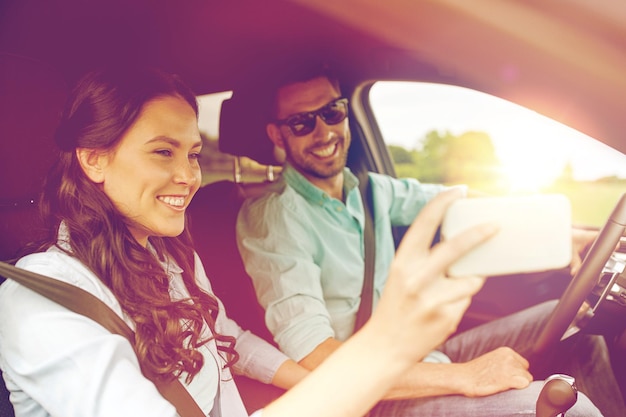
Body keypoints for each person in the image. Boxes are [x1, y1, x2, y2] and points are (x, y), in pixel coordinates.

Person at [0, 66, 508, 417]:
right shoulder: (41, 304)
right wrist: (383, 348)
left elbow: (229, 341)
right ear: (94, 159)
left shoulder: (167, 255)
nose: (188, 176)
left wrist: (309, 383)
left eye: (194, 154)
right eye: (162, 152)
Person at [236, 64, 624, 417]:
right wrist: (464, 376)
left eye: (331, 113)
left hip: (421, 357)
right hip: (368, 395)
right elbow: (316, 358)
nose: (323, 132)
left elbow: (454, 201)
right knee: (574, 413)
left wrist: (559, 233)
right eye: (302, 123)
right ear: (277, 134)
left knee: (576, 322)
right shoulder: (274, 220)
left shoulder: (372, 191)